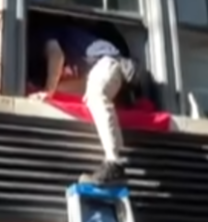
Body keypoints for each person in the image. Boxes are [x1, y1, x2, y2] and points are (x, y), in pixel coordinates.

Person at [29, 21, 137, 185]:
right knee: (88, 96)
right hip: (100, 69)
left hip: (108, 62)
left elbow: (56, 56)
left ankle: (115, 163)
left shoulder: (47, 32)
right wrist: (46, 93)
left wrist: (48, 90)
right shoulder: (67, 42)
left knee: (96, 95)